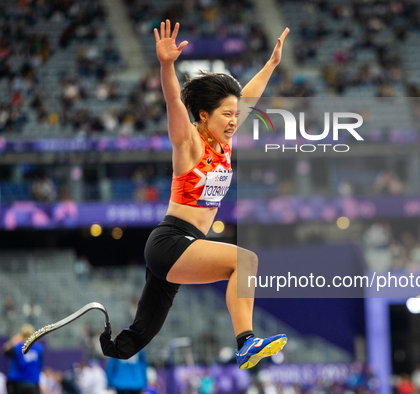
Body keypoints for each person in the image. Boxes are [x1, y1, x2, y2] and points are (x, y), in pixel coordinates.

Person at [100, 19, 290, 369]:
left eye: (236, 114)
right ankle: (246, 341)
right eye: (227, 114)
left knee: (148, 325)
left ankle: (117, 350)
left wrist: (272, 65)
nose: (235, 120)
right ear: (204, 115)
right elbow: (173, 100)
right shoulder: (188, 142)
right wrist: (167, 65)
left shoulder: (224, 141)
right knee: (245, 261)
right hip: (171, 240)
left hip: (186, 246)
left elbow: (249, 95)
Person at [2, 324, 44, 394]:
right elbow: (40, 365)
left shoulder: (17, 348)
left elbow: (5, 350)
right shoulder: (39, 349)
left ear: (22, 334)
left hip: (17, 382)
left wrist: (15, 339)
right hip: (33, 383)